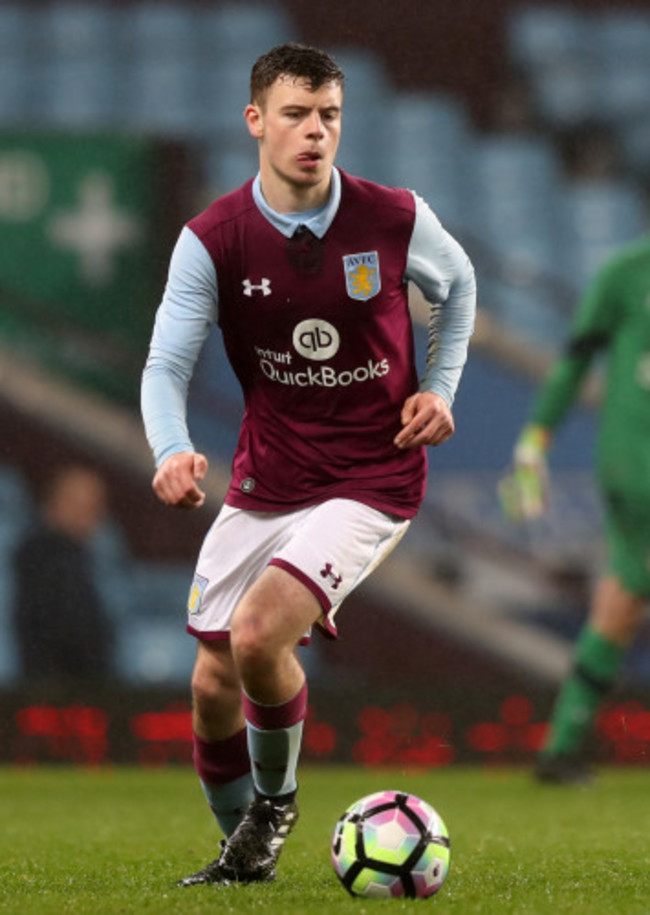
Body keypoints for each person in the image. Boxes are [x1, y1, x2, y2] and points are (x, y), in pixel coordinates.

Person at [141, 43, 476, 885]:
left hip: (373, 475)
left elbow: (460, 283)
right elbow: (164, 367)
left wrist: (440, 387)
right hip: (267, 478)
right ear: (256, 121)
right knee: (212, 681)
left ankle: (275, 804)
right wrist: (172, 447)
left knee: (257, 635)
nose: (314, 131)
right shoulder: (212, 239)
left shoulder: (393, 217)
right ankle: (242, 854)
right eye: (295, 114)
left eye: (328, 115)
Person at [500, 234, 650, 785]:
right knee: (628, 588)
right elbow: (574, 361)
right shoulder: (628, 274)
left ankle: (561, 747)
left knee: (624, 598)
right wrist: (534, 441)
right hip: (638, 461)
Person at [12, 464, 115, 685]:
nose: (85, 514)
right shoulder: (39, 555)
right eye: (75, 503)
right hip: (54, 691)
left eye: (93, 505)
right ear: (51, 505)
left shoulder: (89, 557)